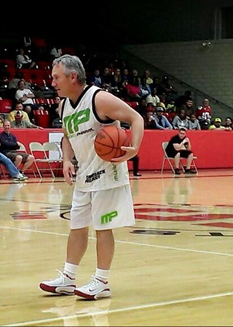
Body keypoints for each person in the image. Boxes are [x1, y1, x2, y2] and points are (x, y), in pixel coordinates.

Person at [40, 54, 144, 300]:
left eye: (56, 77)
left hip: (108, 174)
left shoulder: (99, 99)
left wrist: (135, 147)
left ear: (72, 76)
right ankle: (68, 277)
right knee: (76, 227)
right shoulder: (64, 105)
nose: (52, 82)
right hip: (85, 175)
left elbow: (136, 118)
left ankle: (102, 281)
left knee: (103, 229)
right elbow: (67, 136)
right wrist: (66, 159)